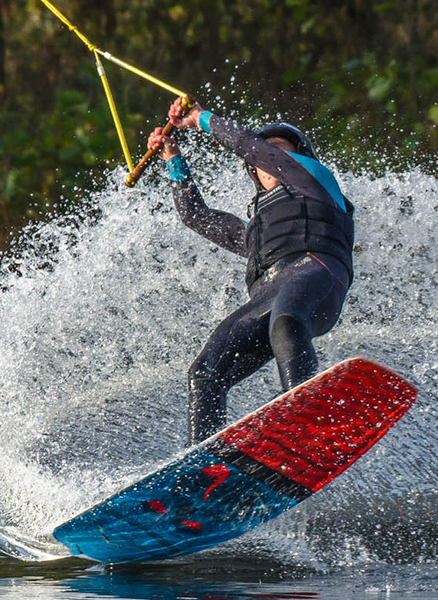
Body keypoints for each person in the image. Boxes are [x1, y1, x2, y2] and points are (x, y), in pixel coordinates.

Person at [147, 97, 355, 446]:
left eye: (277, 149)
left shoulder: (316, 179)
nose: (268, 156)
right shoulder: (257, 229)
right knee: (205, 372)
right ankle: (202, 463)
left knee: (286, 321)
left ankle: (305, 422)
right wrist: (172, 157)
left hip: (317, 274)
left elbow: (250, 147)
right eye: (265, 153)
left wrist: (202, 118)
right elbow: (195, 216)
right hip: (268, 294)